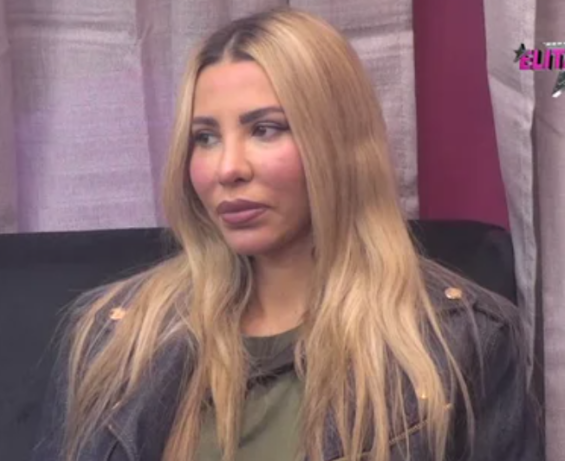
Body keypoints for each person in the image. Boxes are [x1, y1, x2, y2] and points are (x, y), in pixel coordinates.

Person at [32, 7, 543, 461]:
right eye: (205, 137)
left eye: (265, 129)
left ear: (338, 144)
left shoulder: (463, 341)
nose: (227, 168)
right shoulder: (114, 337)